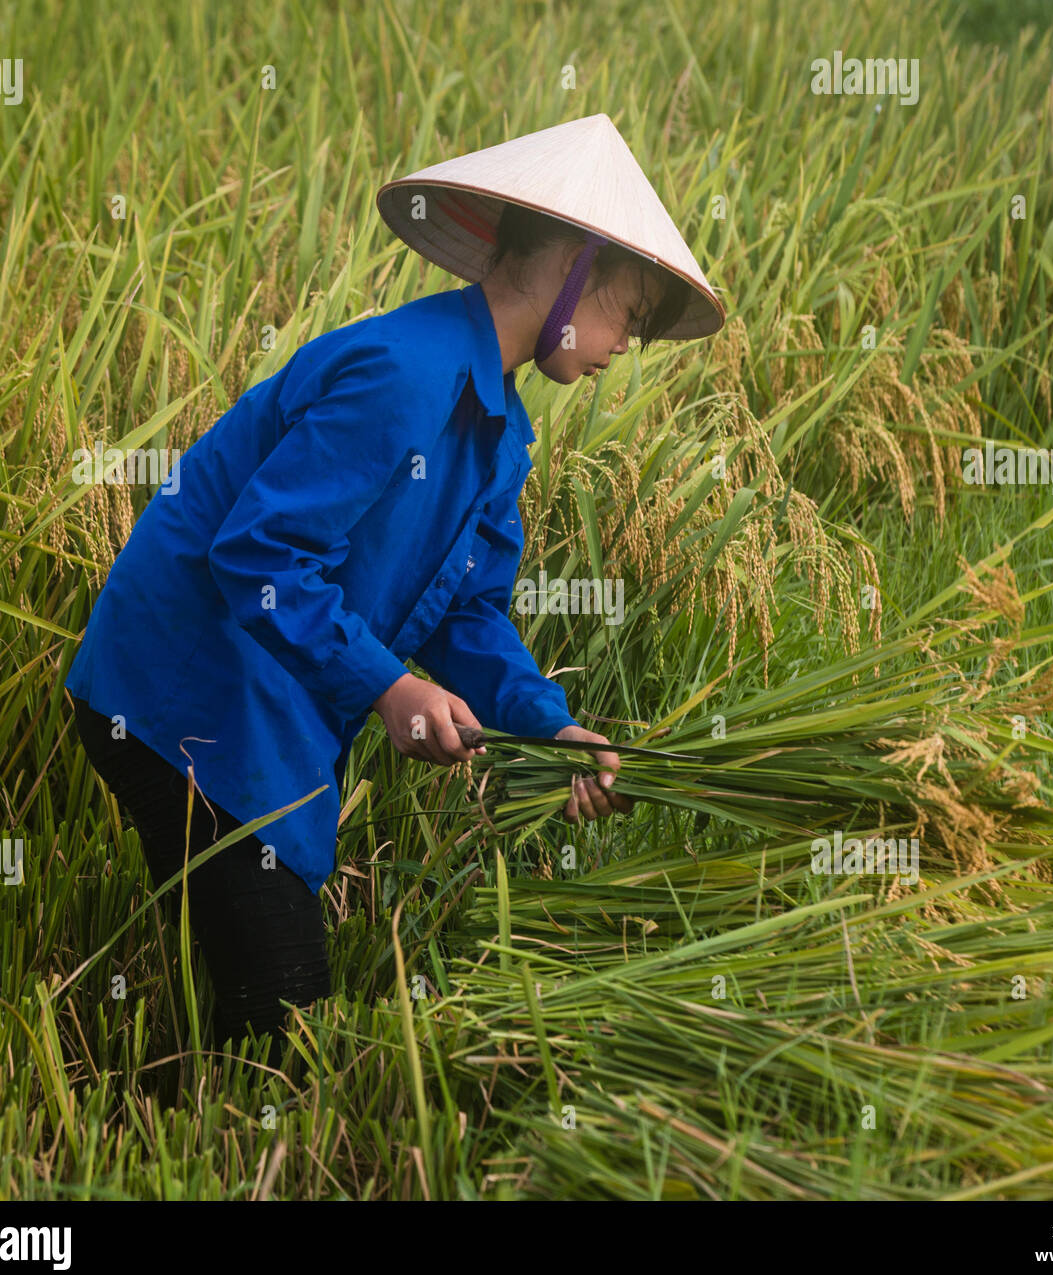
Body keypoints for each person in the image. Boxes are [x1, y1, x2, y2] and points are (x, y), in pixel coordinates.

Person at [65, 112, 725, 1051]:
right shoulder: (404, 374)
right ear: (572, 269)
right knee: (285, 1021)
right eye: (631, 313)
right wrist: (389, 687)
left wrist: (551, 726)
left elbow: (468, 614)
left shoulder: (501, 431)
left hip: (264, 698)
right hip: (184, 689)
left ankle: (185, 1100)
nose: (630, 345)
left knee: (264, 993)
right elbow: (255, 559)